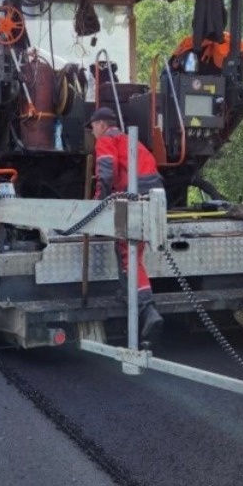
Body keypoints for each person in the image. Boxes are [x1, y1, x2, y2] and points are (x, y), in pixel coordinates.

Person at [86, 107, 165, 340]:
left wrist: (97, 205)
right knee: (128, 251)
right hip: (152, 197)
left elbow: (106, 174)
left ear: (101, 125)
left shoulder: (106, 141)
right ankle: (125, 292)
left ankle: (147, 308)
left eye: (93, 127)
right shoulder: (131, 141)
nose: (92, 132)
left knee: (127, 252)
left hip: (133, 199)